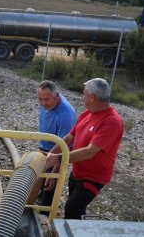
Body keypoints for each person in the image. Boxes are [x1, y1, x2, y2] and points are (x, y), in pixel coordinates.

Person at [46, 78, 124, 219]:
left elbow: (90, 151)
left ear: (92, 97)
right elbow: (68, 138)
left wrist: (58, 158)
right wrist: (50, 157)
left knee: (72, 208)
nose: (83, 98)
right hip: (77, 171)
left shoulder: (112, 121)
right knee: (75, 209)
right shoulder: (87, 114)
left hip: (94, 177)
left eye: (84, 94)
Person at [35, 80, 76, 212]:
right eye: (40, 99)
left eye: (46, 100)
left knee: (49, 186)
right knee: (39, 182)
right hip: (45, 148)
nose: (42, 103)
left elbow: (65, 148)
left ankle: (45, 217)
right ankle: (37, 202)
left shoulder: (65, 116)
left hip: (57, 153)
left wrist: (54, 173)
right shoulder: (47, 102)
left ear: (57, 96)